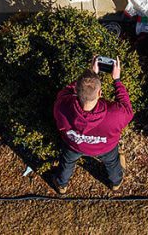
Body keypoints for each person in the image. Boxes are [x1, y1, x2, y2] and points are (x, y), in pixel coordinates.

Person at [51, 55, 134, 193]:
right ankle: (116, 183)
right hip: (105, 147)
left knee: (67, 162)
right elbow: (127, 108)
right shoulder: (115, 115)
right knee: (113, 163)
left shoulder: (62, 106)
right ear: (100, 93)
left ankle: (61, 185)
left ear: (77, 91)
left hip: (74, 145)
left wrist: (90, 76)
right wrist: (117, 81)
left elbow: (65, 91)